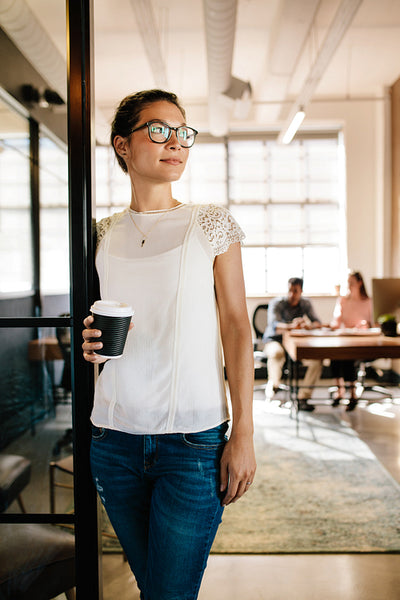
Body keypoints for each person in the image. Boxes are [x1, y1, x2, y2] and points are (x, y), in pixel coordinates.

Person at [81, 89, 256, 600]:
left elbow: (237, 327)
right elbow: (87, 324)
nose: (175, 142)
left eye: (183, 132)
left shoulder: (210, 223)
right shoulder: (99, 234)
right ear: (123, 145)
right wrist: (87, 340)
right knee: (153, 587)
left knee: (168, 593)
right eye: (159, 130)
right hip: (112, 440)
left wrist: (243, 431)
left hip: (193, 444)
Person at [262, 277, 322, 411]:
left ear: (301, 291)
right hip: (275, 340)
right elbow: (274, 326)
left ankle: (303, 398)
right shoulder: (277, 303)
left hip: (296, 343)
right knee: (276, 354)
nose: (292, 295)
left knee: (316, 360)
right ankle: (274, 388)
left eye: (295, 291)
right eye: (290, 290)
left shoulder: (305, 303)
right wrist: (292, 326)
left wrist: (308, 326)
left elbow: (318, 323)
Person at [330, 270, 373, 411]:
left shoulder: (368, 302)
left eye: (351, 283)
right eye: (347, 283)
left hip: (362, 342)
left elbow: (374, 325)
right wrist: (336, 325)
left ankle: (353, 394)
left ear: (360, 283)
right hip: (345, 339)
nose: (349, 286)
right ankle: (340, 391)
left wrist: (365, 325)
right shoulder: (342, 300)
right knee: (335, 355)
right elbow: (335, 322)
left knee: (348, 356)